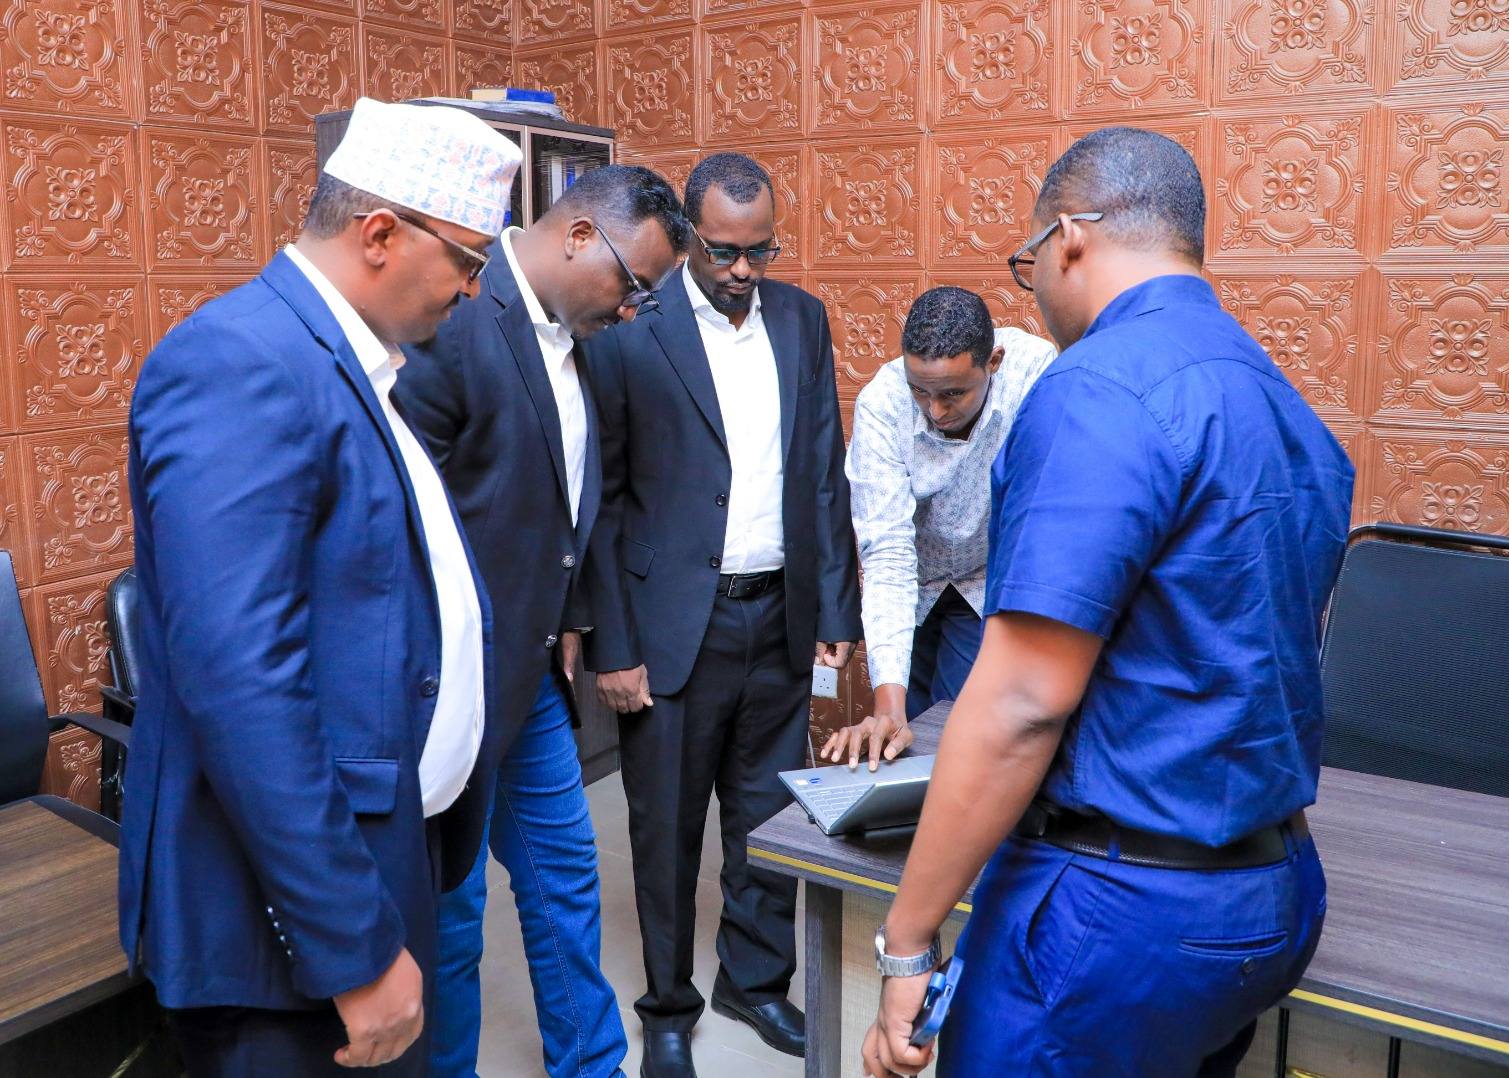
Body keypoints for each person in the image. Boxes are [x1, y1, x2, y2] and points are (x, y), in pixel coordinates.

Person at [859, 127, 1355, 1077]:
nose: (1035, 288)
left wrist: (907, 945)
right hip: (1270, 893)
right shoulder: (1278, 395)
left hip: (1120, 908)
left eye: (1029, 262)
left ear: (1070, 238)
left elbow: (1022, 703)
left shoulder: (1096, 385)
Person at [118, 98, 521, 1076]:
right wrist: (352, 945)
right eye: (467, 260)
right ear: (379, 234)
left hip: (375, 853)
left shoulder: (348, 361)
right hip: (289, 926)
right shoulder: (241, 361)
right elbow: (241, 680)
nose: (473, 290)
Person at [393, 164, 688, 1078]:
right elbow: (403, 520)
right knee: (455, 912)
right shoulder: (455, 317)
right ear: (577, 236)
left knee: (565, 877)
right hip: (447, 685)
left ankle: (591, 1065)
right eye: (633, 284)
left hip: (527, 682)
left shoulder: (586, 338)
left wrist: (568, 616)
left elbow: (570, 503)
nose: (633, 309)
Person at [583, 151, 863, 1077]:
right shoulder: (630, 326)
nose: (744, 270)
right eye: (724, 251)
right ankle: (668, 1007)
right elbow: (602, 500)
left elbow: (822, 472)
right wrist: (613, 645)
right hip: (671, 629)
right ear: (689, 238)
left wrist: (835, 607)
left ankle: (755, 980)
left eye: (761, 250)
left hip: (779, 615)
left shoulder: (802, 320)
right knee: (665, 828)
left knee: (768, 818)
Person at [822, 286, 1057, 772]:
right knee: (902, 733)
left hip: (986, 579)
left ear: (993, 362)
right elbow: (887, 553)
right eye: (920, 391)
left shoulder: (1033, 372)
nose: (935, 410)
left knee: (957, 742)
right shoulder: (883, 402)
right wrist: (887, 707)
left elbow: (1047, 510)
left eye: (952, 393)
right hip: (912, 583)